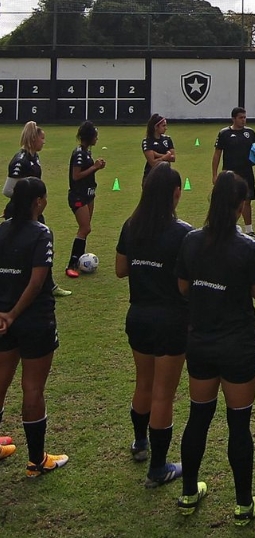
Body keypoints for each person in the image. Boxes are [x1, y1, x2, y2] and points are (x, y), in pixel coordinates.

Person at [175, 171, 255, 525]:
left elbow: (183, 287)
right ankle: (244, 505)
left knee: (198, 417)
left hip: (200, 342)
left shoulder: (191, 240)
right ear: (241, 205)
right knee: (239, 424)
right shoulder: (247, 246)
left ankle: (188, 492)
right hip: (238, 347)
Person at [116, 162, 192, 488]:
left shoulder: (131, 225)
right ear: (176, 193)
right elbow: (185, 286)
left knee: (143, 383)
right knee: (163, 393)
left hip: (139, 316)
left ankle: (140, 444)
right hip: (171, 320)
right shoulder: (183, 233)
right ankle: (158, 469)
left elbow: (120, 269)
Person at [0, 177, 68, 475]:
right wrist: (14, 313)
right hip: (33, 321)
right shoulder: (42, 233)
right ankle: (37, 460)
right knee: (32, 388)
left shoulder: (1, 230)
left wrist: (4, 314)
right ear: (38, 202)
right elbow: (38, 281)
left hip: (3, 320)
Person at [3, 121, 71, 297]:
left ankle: (48, 284)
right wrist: (28, 199)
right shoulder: (20, 161)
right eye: (42, 138)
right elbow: (8, 190)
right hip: (19, 213)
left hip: (33, 211)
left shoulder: (34, 158)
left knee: (42, 245)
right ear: (34, 139)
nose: (44, 142)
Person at [211, 107, 255, 241]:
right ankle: (226, 229)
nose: (243, 120)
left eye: (245, 117)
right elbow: (217, 154)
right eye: (241, 118)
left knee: (247, 201)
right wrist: (215, 174)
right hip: (230, 173)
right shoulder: (224, 133)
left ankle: (249, 230)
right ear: (233, 119)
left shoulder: (250, 133)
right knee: (228, 201)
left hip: (247, 172)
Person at [66, 120, 105, 278]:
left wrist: (96, 167)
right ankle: (71, 264)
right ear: (89, 137)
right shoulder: (79, 153)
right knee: (85, 228)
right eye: (95, 135)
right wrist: (94, 167)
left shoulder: (87, 152)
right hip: (78, 196)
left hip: (89, 195)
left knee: (86, 228)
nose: (97, 138)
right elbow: (76, 176)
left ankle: (79, 261)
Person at [141, 113, 175, 181]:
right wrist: (165, 157)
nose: (166, 128)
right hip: (151, 176)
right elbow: (152, 163)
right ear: (156, 127)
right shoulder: (147, 142)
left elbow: (173, 158)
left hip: (166, 175)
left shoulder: (167, 139)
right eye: (163, 126)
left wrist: (157, 154)